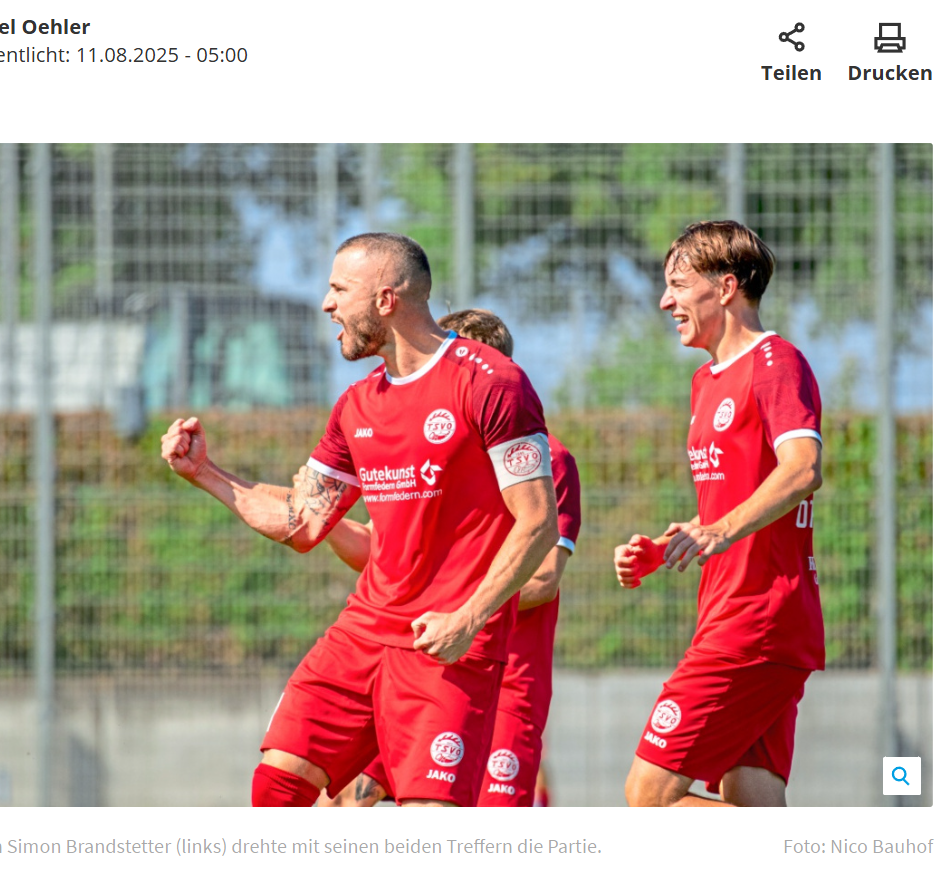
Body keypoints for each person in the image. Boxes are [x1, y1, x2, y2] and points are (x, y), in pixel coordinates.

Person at [161, 234, 558, 807]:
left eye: (339, 290)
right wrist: (206, 473)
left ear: (386, 299)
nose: (327, 304)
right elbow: (303, 522)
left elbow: (538, 522)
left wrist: (468, 618)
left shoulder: (490, 382)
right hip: (362, 635)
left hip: (444, 647)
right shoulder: (356, 403)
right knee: (276, 788)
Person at [315, 309, 581, 808]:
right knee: (345, 798)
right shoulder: (432, 452)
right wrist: (320, 518)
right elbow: (377, 550)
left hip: (505, 684)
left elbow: (544, 579)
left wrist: (459, 608)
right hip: (416, 668)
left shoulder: (548, 458)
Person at [613, 220, 823, 807]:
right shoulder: (704, 382)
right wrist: (672, 545)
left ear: (726, 287)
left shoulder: (776, 362)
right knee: (749, 796)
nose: (665, 301)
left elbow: (803, 469)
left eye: (678, 285)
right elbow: (735, 500)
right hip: (734, 615)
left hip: (756, 621)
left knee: (649, 797)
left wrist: (721, 529)